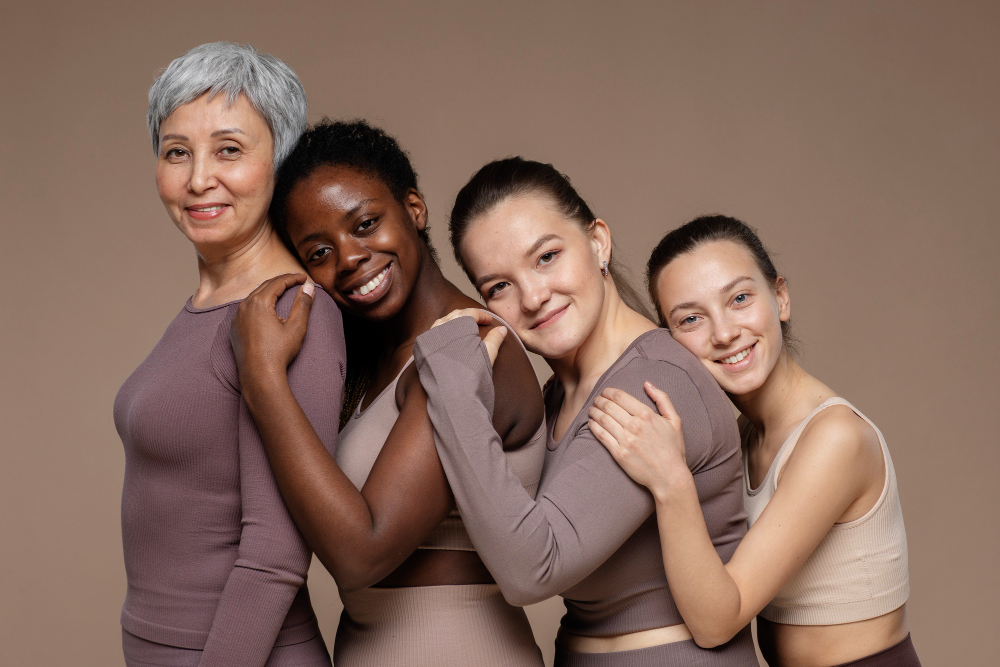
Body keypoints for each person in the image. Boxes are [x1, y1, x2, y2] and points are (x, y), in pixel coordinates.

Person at [410, 157, 758, 665]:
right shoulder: (553, 400)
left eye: (547, 256)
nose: (533, 296)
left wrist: (451, 381)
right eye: (498, 287)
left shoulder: (654, 383)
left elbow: (533, 569)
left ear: (597, 242)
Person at [228, 120, 547, 666]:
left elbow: (362, 552)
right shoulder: (370, 361)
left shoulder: (467, 348)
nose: (349, 258)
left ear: (415, 209)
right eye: (319, 252)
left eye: (366, 223)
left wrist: (262, 380)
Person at [587, 215, 919, 666]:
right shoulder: (740, 439)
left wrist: (671, 481)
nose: (724, 333)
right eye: (691, 319)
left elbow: (718, 620)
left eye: (740, 298)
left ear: (779, 297)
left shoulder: (836, 438)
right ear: (668, 342)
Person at [114, 42, 345, 667]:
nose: (197, 180)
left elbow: (274, 555)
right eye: (176, 152)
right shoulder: (206, 304)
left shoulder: (291, 312)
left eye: (230, 150)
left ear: (281, 161)